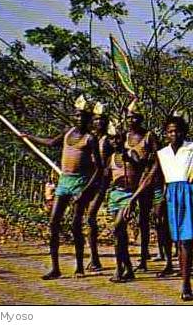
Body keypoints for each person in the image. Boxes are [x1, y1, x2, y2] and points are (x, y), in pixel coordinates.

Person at [124, 115, 193, 300]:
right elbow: (150, 177)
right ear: (166, 134)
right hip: (172, 195)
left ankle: (186, 284)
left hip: (189, 193)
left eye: (177, 130)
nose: (174, 134)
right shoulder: (162, 153)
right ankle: (184, 279)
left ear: (184, 132)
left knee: (186, 241)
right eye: (170, 131)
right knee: (179, 241)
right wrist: (134, 197)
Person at [22, 95, 102, 279]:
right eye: (77, 116)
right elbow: (50, 142)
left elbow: (99, 168)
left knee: (76, 225)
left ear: (89, 120)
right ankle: (55, 268)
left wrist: (85, 191)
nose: (79, 119)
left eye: (83, 116)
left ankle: (80, 267)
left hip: (80, 182)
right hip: (64, 181)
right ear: (74, 117)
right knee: (53, 223)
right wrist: (29, 137)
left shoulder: (90, 139)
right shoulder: (67, 133)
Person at [124, 98, 158, 272]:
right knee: (123, 219)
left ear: (141, 118)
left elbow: (156, 159)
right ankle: (124, 259)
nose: (132, 121)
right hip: (127, 183)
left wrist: (149, 176)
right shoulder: (123, 136)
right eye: (129, 117)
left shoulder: (148, 136)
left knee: (144, 219)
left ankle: (144, 256)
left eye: (135, 117)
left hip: (145, 183)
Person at [104, 125, 140, 282]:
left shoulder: (132, 153)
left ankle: (119, 269)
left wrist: (130, 159)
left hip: (129, 196)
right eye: (111, 138)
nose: (114, 141)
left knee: (118, 227)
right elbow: (106, 177)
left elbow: (141, 170)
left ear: (123, 138)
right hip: (115, 195)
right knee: (120, 235)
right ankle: (128, 268)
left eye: (117, 138)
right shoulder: (110, 158)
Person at [85, 102, 114, 272]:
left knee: (90, 216)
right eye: (96, 120)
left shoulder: (108, 141)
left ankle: (94, 258)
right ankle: (93, 256)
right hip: (86, 181)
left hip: (102, 181)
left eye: (102, 120)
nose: (98, 123)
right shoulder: (88, 137)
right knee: (86, 219)